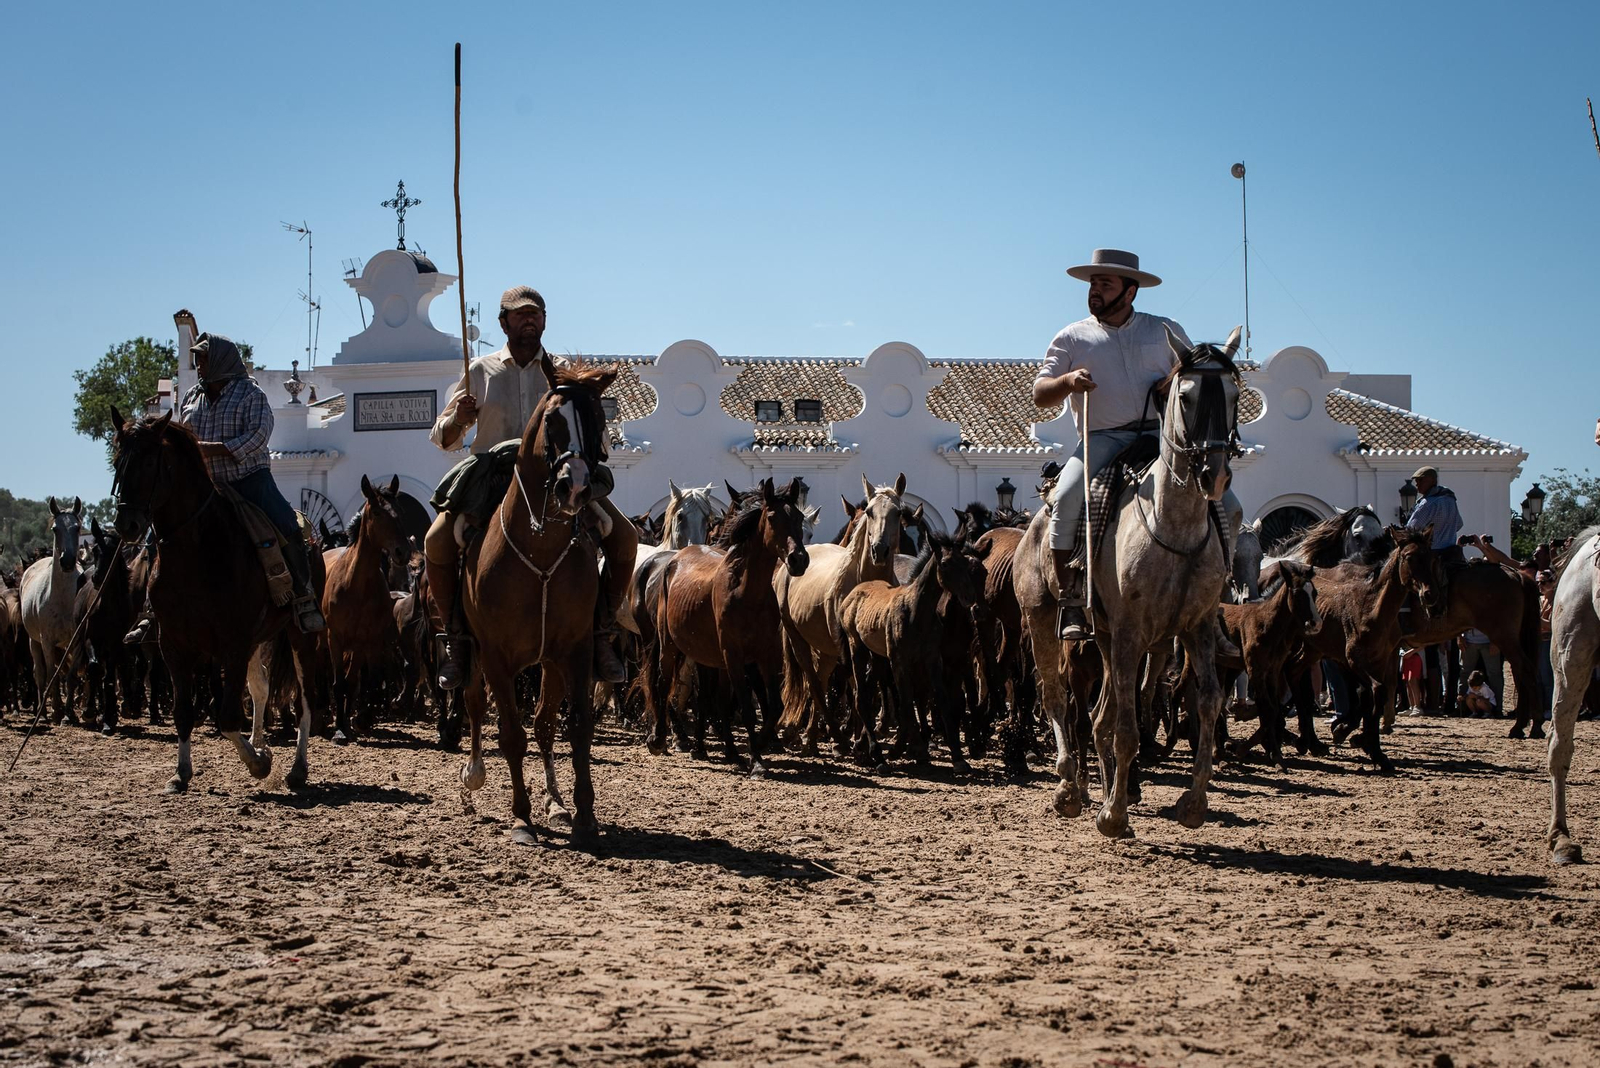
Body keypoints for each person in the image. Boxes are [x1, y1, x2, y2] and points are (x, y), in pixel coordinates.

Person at [423, 285, 636, 689]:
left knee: (623, 537)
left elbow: (595, 435)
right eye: (520, 315)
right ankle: (455, 638)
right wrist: (460, 418)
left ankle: (602, 633)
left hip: (554, 478)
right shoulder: (480, 370)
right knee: (436, 540)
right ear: (504, 323)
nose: (529, 320)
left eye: (535, 314)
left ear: (544, 320)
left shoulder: (563, 374)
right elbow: (442, 437)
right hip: (493, 478)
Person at [1032, 249, 1243, 641]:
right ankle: (1072, 598)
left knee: (1229, 505)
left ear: (1130, 291)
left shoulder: (1165, 329)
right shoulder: (1071, 337)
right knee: (1068, 496)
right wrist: (1068, 382)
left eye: (1104, 283)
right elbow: (1040, 393)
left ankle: (1218, 595)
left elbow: (1194, 378)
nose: (1094, 291)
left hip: (1161, 439)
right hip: (1101, 441)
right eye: (1092, 284)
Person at [126, 330, 326, 639]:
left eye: (204, 358)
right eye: (198, 359)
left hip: (248, 478)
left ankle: (303, 596)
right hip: (203, 485)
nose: (200, 365)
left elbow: (259, 436)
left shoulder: (251, 394)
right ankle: (152, 611)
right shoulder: (192, 397)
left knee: (287, 524)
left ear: (221, 360)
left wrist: (212, 449)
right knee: (160, 533)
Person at [1405, 466, 1463, 565]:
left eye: (1420, 480)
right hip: (1452, 554)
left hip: (1433, 554)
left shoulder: (1428, 503)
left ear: (1431, 481)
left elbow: (1411, 528)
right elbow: (1459, 524)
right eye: (1416, 481)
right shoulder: (1450, 499)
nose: (1417, 484)